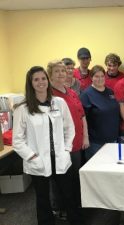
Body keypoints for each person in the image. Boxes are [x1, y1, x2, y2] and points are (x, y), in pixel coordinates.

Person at [12, 66, 81, 225]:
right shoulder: (23, 108)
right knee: (42, 198)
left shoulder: (59, 102)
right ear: (31, 83)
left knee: (69, 195)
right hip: (38, 160)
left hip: (60, 157)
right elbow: (17, 140)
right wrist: (32, 156)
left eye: (43, 78)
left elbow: (69, 128)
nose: (41, 82)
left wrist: (66, 149)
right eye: (36, 79)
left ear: (47, 81)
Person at [47, 60, 89, 208]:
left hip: (76, 141)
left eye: (63, 71)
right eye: (57, 71)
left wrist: (85, 136)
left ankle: (72, 206)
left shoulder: (70, 91)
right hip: (60, 145)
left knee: (73, 176)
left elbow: (82, 115)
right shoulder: (48, 95)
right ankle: (58, 207)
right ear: (50, 75)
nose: (61, 74)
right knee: (59, 177)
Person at [80, 65, 120, 160]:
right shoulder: (86, 95)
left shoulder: (110, 92)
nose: (100, 79)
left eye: (102, 76)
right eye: (96, 76)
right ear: (91, 78)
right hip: (96, 142)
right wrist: (85, 137)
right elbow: (82, 118)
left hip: (113, 139)